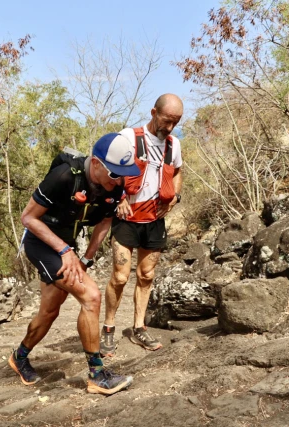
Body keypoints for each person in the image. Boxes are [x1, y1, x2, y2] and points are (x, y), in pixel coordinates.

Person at [9, 133, 139, 395]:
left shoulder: (114, 185)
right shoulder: (64, 176)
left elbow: (104, 221)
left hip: (67, 245)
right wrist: (65, 250)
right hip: (42, 242)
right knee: (91, 296)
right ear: (96, 164)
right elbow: (27, 218)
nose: (119, 180)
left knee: (50, 310)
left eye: (123, 174)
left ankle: (19, 356)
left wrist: (87, 257)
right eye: (114, 173)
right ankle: (97, 374)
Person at [101, 94, 184, 356]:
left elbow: (179, 171)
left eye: (176, 122)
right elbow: (106, 168)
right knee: (120, 276)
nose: (169, 127)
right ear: (153, 112)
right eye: (167, 120)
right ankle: (108, 328)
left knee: (146, 276)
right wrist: (118, 198)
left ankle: (139, 327)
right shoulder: (128, 137)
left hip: (154, 220)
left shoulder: (174, 145)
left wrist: (175, 199)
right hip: (127, 219)